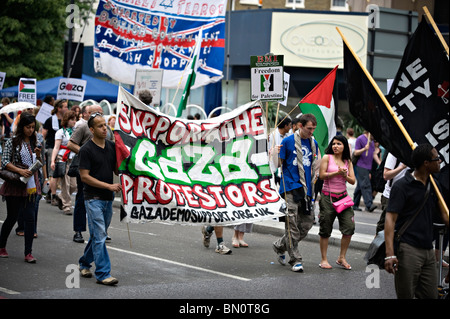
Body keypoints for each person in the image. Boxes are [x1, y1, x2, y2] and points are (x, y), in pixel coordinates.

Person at [384, 144, 449, 299]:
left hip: (428, 250)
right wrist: (389, 254)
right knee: (406, 294)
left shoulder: (434, 185)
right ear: (426, 163)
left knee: (431, 295)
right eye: (436, 158)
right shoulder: (402, 186)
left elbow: (445, 215)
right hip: (408, 250)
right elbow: (390, 219)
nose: (440, 161)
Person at [78, 113, 121, 285]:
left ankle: (84, 262)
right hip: (93, 198)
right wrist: (108, 186)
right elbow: (84, 177)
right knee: (101, 235)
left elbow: (117, 171)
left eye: (105, 125)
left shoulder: (111, 146)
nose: (105, 128)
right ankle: (103, 274)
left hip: (107, 199)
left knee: (98, 235)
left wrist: (124, 158)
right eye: (100, 126)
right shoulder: (86, 149)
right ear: (91, 129)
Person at [272, 113, 320, 272]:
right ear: (300, 126)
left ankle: (280, 245)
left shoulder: (313, 143)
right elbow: (278, 164)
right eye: (309, 128)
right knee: (291, 225)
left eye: (314, 128)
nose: (311, 131)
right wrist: (274, 152)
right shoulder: (287, 141)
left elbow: (315, 165)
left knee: (307, 223)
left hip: (306, 189)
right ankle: (295, 259)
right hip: (290, 187)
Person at [67, 105, 113, 243]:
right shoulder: (83, 127)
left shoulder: (107, 129)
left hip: (103, 168)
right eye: (95, 113)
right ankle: (79, 230)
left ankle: (102, 230)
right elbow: (70, 144)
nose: (99, 115)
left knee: (105, 203)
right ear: (88, 114)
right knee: (82, 199)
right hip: (86, 168)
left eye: (101, 113)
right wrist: (87, 153)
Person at [0, 113, 42, 262]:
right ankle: (2, 246)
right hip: (16, 184)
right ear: (21, 127)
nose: (30, 130)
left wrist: (38, 156)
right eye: (27, 127)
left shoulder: (34, 142)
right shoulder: (13, 141)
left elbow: (37, 165)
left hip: (31, 186)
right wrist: (19, 171)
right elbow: (4, 162)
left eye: (32, 127)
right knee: (12, 217)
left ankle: (28, 253)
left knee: (30, 219)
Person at [318, 135, 356, 270]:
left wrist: (345, 175)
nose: (335, 146)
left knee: (349, 228)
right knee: (325, 229)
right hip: (327, 197)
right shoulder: (326, 158)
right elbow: (321, 175)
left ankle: (342, 257)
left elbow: (353, 181)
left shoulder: (348, 161)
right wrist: (336, 173)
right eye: (334, 144)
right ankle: (324, 259)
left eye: (339, 144)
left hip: (343, 198)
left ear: (344, 146)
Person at [42, 99, 68, 207]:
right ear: (59, 108)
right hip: (52, 148)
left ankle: (49, 193)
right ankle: (53, 196)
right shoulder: (50, 120)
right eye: (65, 107)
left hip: (63, 150)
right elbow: (44, 135)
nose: (66, 109)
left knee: (59, 173)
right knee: (53, 173)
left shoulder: (66, 120)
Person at [51, 111, 77, 215]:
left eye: (75, 119)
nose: (74, 121)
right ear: (67, 120)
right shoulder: (60, 132)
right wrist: (52, 160)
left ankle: (61, 196)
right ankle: (67, 206)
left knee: (74, 185)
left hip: (73, 159)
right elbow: (56, 147)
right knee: (65, 184)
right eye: (72, 119)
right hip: (63, 158)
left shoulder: (76, 131)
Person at [375, 153, 408, 234]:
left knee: (401, 227)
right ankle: (378, 246)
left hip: (408, 197)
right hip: (390, 196)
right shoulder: (394, 153)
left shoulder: (416, 153)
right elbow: (386, 175)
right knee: (384, 227)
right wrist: (402, 167)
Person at [352, 131, 380, 212]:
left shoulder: (371, 141)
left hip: (368, 167)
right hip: (361, 165)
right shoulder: (360, 139)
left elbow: (373, 154)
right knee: (366, 184)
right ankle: (369, 204)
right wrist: (364, 148)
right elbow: (356, 152)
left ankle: (355, 204)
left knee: (360, 186)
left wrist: (380, 164)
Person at [268, 117, 292, 186]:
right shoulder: (272, 135)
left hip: (284, 167)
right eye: (289, 125)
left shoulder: (288, 136)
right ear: (285, 126)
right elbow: (268, 150)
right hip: (273, 167)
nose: (290, 127)